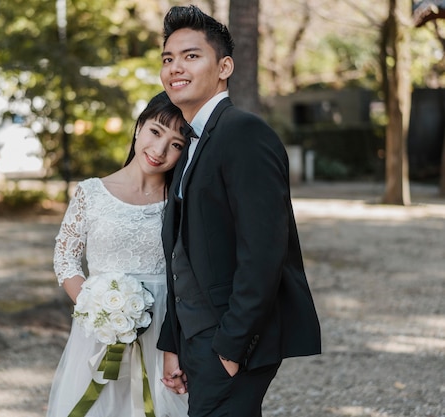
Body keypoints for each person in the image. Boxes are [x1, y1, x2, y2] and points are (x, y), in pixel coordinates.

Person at [156, 5, 322, 417]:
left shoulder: (244, 133)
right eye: (168, 58)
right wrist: (174, 343)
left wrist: (230, 349)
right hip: (197, 341)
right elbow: (183, 251)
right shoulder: (192, 142)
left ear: (224, 66)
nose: (176, 67)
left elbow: (264, 251)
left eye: (191, 56)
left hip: (229, 344)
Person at [47, 92, 190, 417]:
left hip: (164, 330)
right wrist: (96, 308)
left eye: (176, 144)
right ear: (139, 127)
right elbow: (65, 257)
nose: (159, 150)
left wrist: (176, 344)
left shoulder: (180, 201)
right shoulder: (91, 192)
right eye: (155, 132)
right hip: (100, 328)